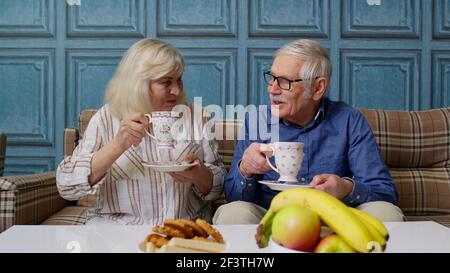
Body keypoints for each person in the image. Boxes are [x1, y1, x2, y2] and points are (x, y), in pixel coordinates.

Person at [213, 39, 404, 224]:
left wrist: (346, 188)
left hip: (334, 219)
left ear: (318, 87)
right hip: (272, 219)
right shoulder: (257, 119)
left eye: (284, 81)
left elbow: (384, 192)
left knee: (385, 212)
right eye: (271, 78)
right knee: (233, 213)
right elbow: (234, 197)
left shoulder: (349, 120)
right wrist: (245, 169)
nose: (272, 89)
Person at [56, 38, 225, 225]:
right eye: (166, 82)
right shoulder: (106, 118)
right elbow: (66, 186)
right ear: (139, 83)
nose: (176, 90)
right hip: (117, 233)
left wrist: (200, 174)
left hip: (184, 229)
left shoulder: (197, 116)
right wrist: (118, 144)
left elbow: (218, 186)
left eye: (179, 80)